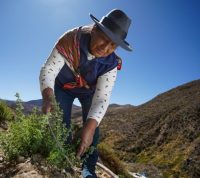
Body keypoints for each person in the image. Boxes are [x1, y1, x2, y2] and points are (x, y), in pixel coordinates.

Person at [39, 9, 132, 178]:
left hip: (89, 92)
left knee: (92, 129)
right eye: (104, 39)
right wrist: (47, 96)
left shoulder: (111, 64)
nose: (105, 48)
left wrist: (89, 127)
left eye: (113, 45)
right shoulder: (70, 39)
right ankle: (63, 158)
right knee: (61, 122)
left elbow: (102, 97)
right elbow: (49, 70)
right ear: (95, 30)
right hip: (62, 87)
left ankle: (88, 168)